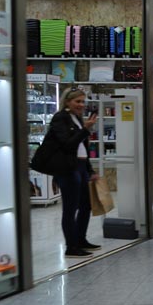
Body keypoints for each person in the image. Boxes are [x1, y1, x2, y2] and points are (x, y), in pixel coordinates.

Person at [46, 88, 100, 258]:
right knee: (70, 208)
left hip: (81, 166)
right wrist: (85, 129)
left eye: (83, 102)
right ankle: (71, 246)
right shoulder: (60, 118)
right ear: (68, 102)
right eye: (78, 101)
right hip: (68, 168)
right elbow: (67, 144)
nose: (81, 105)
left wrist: (90, 170)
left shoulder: (77, 119)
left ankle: (80, 239)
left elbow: (82, 146)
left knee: (86, 205)